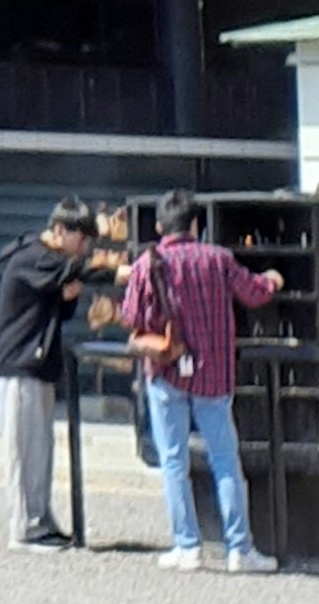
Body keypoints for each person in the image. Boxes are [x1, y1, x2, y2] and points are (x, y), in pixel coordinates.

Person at [117, 194, 283, 572]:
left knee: (173, 460)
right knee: (225, 459)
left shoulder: (147, 263)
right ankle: (240, 548)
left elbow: (130, 316)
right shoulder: (218, 259)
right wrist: (272, 280)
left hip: (165, 370)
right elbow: (254, 293)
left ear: (159, 227)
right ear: (195, 226)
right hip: (213, 372)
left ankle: (187, 546)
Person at [0, 198, 112, 549]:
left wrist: (68, 295)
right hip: (18, 366)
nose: (84, 247)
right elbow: (72, 271)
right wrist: (119, 272)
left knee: (40, 449)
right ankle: (24, 527)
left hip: (38, 365)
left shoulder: (49, 263)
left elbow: (60, 299)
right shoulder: (32, 255)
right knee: (22, 450)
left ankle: (41, 520)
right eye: (81, 238)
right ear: (59, 230)